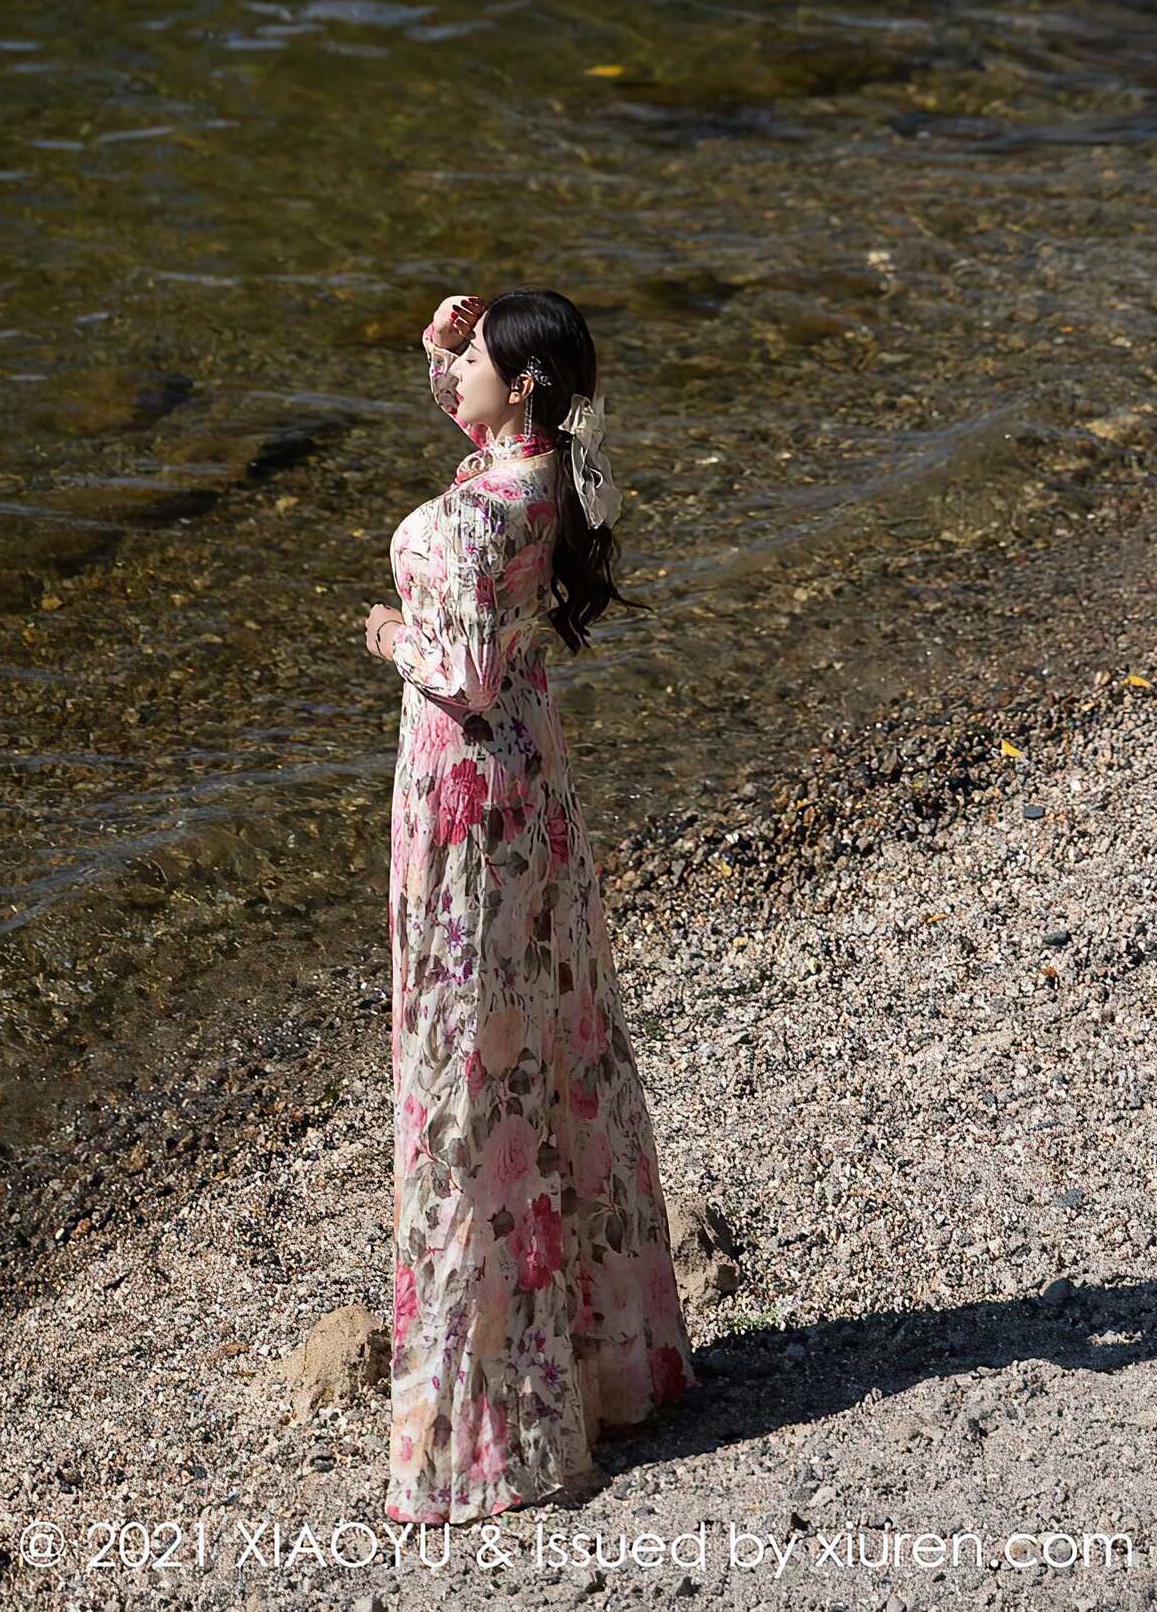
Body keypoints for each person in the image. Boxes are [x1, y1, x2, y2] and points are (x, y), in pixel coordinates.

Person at [362, 286, 694, 1522]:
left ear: (530, 391)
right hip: (533, 787)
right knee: (545, 1037)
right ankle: (602, 1358)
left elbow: (458, 666)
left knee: (470, 1067)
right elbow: (476, 435)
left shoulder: (477, 519)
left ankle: (494, 1420)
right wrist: (446, 348)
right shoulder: (546, 474)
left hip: (464, 794)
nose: (461, 379)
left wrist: (390, 632)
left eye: (482, 364)